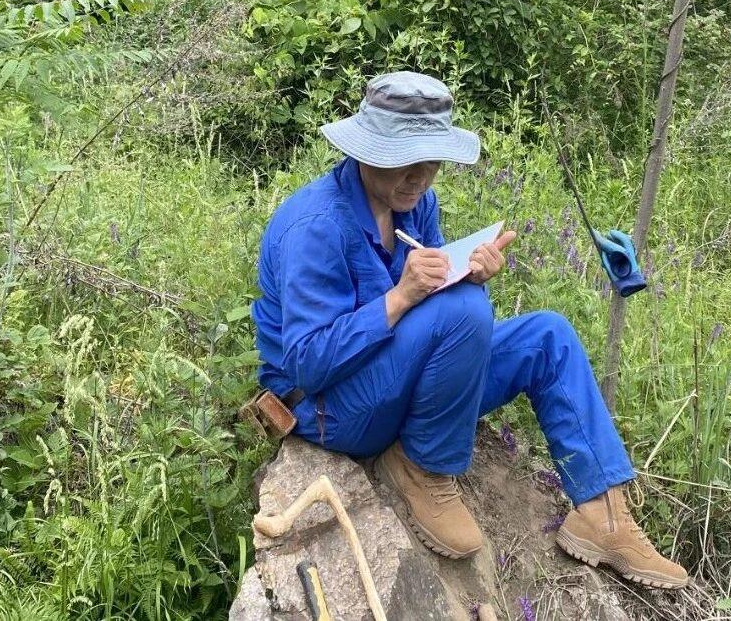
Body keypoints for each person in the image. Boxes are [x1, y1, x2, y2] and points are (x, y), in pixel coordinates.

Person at [250, 71, 688, 589]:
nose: (419, 178)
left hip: (394, 380)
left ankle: (602, 514)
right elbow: (308, 365)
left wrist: (464, 274)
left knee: (547, 336)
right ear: (367, 151)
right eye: (405, 160)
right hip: (332, 412)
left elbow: (439, 310)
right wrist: (401, 296)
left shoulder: (414, 204)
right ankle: (421, 466)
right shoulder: (317, 226)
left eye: (432, 162)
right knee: (465, 312)